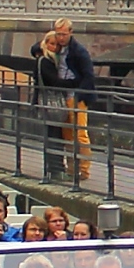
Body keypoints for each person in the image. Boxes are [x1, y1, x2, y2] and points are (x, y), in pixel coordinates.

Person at [31, 19, 95, 181]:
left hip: (75, 96)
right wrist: (43, 44)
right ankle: (72, 169)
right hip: (61, 98)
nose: (60, 38)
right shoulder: (57, 48)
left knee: (79, 134)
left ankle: (84, 170)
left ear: (70, 32)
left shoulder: (78, 51)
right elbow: (35, 49)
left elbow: (88, 75)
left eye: (63, 34)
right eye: (58, 34)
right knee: (67, 135)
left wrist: (80, 92)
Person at [35, 30, 76, 180]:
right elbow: (53, 81)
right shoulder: (45, 61)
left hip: (48, 102)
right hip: (50, 103)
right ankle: (55, 169)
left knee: (55, 135)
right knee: (53, 136)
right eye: (51, 43)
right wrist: (72, 83)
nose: (54, 47)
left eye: (56, 44)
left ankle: (56, 168)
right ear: (45, 44)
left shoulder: (51, 60)